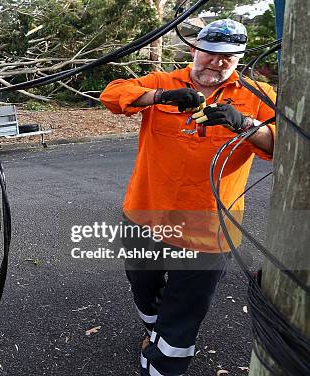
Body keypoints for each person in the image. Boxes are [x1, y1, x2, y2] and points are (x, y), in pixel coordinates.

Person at [100, 19, 275, 376]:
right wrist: (158, 97)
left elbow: (286, 144)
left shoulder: (257, 94)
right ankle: (152, 330)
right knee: (144, 287)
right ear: (195, 50)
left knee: (187, 307)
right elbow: (113, 94)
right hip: (146, 213)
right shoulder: (165, 81)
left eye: (228, 57)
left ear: (238, 59)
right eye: (210, 53)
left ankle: (165, 367)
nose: (217, 62)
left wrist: (244, 124)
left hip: (210, 225)